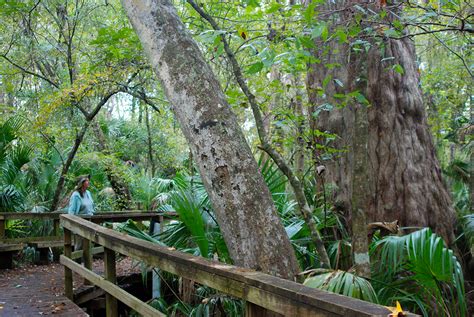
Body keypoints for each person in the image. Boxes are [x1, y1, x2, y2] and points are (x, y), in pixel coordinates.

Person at [68, 174, 95, 252]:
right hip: (79, 224)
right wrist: (72, 225)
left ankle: (86, 264)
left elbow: (91, 208)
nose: (88, 182)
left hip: (89, 223)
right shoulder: (76, 195)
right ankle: (77, 263)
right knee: (79, 247)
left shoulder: (88, 193)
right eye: (86, 180)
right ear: (82, 183)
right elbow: (71, 212)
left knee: (88, 246)